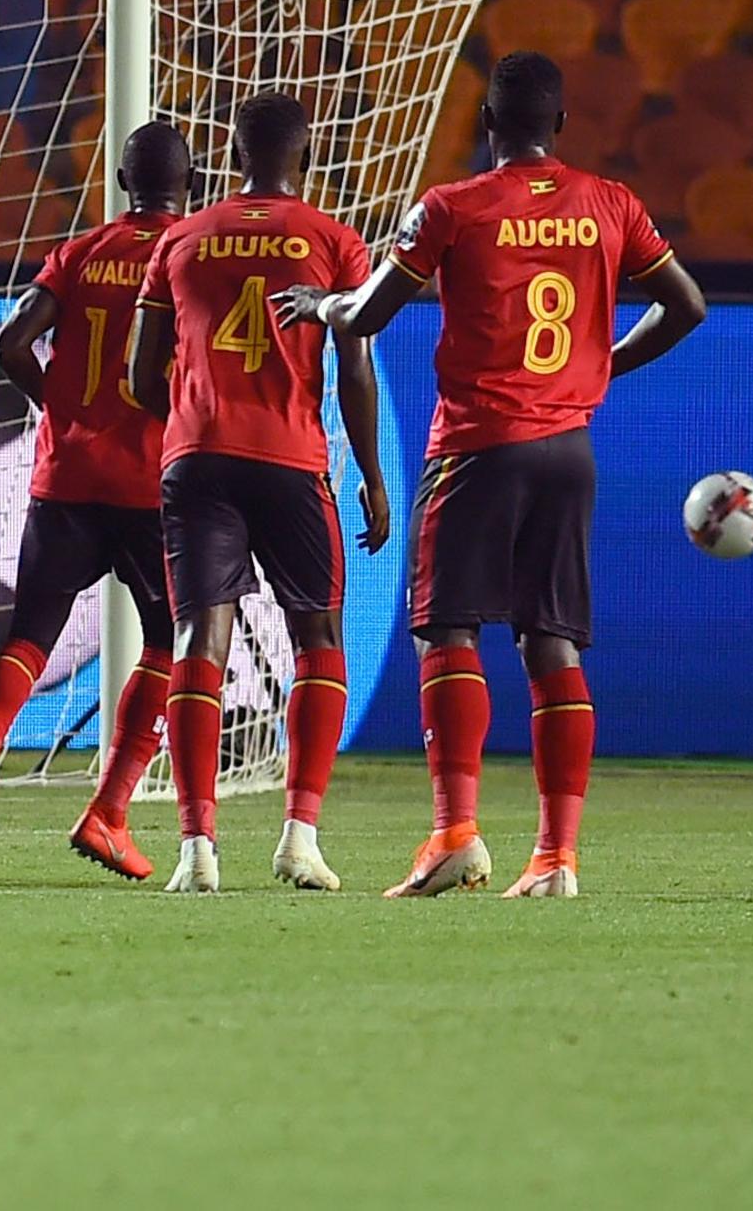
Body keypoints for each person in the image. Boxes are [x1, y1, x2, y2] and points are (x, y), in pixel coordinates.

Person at [279, 52, 709, 899]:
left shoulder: (453, 206)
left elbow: (366, 313)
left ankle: (454, 833)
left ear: (486, 127)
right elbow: (688, 304)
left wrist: (324, 304)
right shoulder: (611, 202)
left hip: (477, 444)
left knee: (448, 632)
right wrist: (601, 364)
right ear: (561, 125)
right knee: (550, 638)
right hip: (568, 447)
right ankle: (556, 858)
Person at [125, 93, 386, 894]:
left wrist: (199, 413)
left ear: (232, 156)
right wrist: (372, 475)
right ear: (304, 155)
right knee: (318, 636)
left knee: (201, 640)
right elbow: (356, 371)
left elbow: (140, 379)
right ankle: (299, 838)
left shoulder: (180, 238)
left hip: (198, 456)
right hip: (290, 458)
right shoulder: (335, 241)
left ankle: (196, 849)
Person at [0, 120, 191, 887]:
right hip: (151, 481)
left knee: (30, 635)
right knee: (171, 644)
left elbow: (13, 340)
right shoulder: (187, 251)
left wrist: (63, 410)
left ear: (119, 179)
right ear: (193, 181)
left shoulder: (81, 252)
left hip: (67, 477)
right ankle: (109, 811)